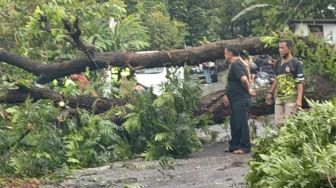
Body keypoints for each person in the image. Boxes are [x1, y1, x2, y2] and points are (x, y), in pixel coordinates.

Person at [223, 47, 256, 154]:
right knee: (234, 122)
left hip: (240, 98)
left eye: (225, 54)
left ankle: (245, 147)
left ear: (229, 54)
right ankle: (234, 145)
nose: (224, 56)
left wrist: (249, 89)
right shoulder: (236, 64)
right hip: (234, 98)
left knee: (241, 122)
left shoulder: (236, 64)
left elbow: (244, 79)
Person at [265, 39, 304, 126]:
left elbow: (300, 82)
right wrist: (270, 93)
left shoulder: (296, 63)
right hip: (279, 97)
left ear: (289, 49)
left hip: (291, 98)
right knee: (278, 123)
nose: (280, 50)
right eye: (279, 48)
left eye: (282, 48)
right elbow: (277, 79)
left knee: (289, 125)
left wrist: (299, 99)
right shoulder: (278, 63)